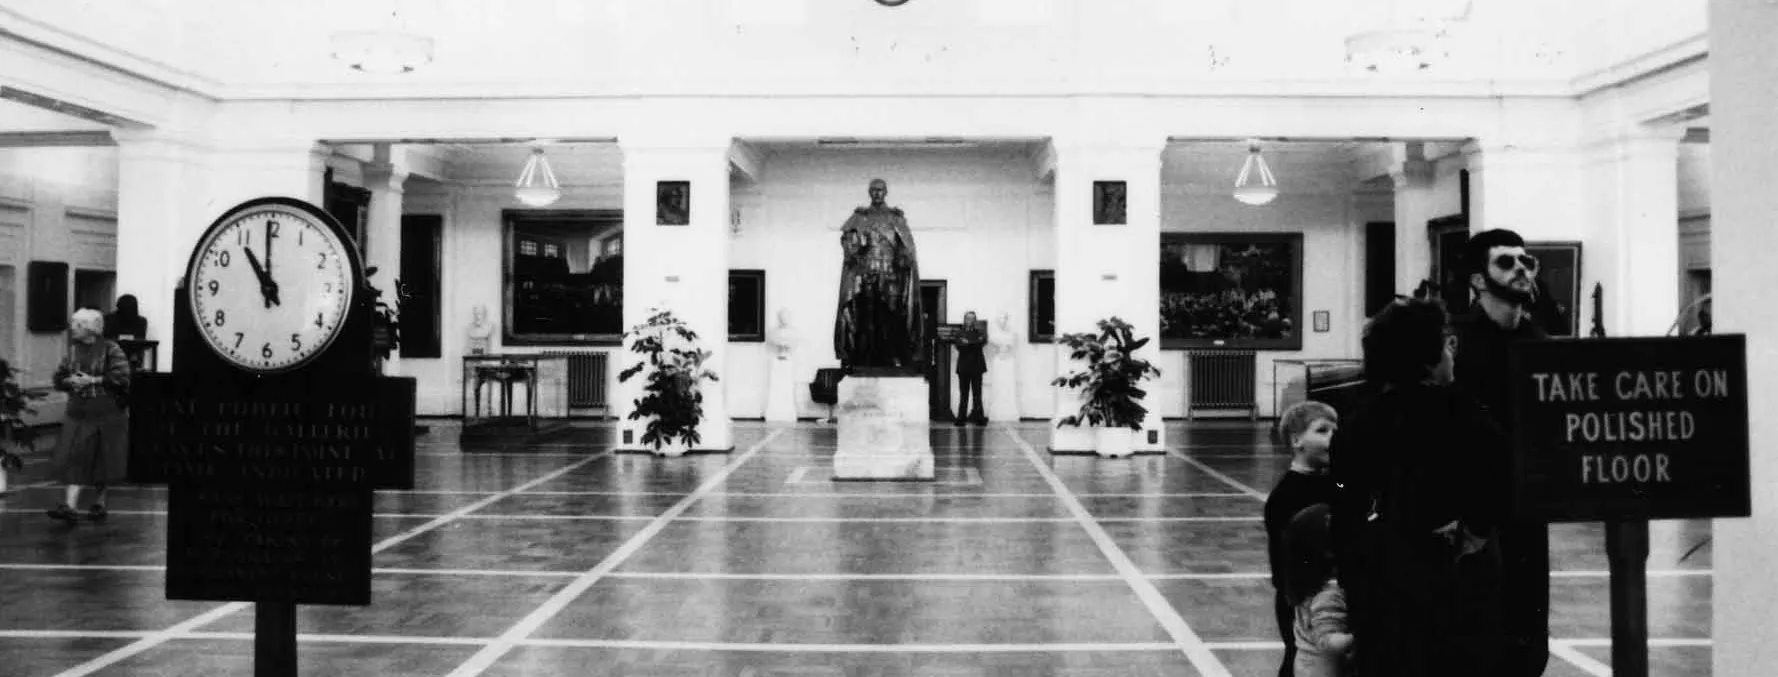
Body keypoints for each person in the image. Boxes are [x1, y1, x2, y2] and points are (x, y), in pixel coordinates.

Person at [1329, 297, 1506, 677]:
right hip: (1456, 570)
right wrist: (1474, 531)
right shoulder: (1465, 411)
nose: (1451, 354)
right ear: (1427, 356)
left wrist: (1354, 572)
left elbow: (1344, 500)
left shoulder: (1361, 419)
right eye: (1445, 344)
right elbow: (1498, 475)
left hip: (1384, 571)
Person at [1449, 228, 1551, 676]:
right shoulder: (1454, 344)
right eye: (1506, 263)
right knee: (1476, 632)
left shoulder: (1539, 341)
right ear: (1477, 279)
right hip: (1470, 510)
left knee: (1527, 628)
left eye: (1526, 262)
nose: (1521, 271)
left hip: (1527, 507)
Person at [1265, 400, 1340, 677]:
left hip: (1329, 593)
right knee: (1300, 658)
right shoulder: (1287, 494)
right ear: (1297, 441)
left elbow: (1346, 490)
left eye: (1336, 430)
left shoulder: (1334, 481)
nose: (1332, 436)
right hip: (1301, 596)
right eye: (1322, 430)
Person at [45, 308, 132, 523]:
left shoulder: (111, 349)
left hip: (106, 413)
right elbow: (58, 378)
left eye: (77, 325)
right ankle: (70, 506)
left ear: (88, 328)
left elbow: (122, 377)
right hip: (77, 413)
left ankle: (99, 502)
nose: (72, 328)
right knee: (73, 457)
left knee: (102, 460)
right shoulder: (72, 351)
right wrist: (69, 381)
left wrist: (93, 380)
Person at [833, 178, 924, 372]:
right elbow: (848, 243)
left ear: (886, 192)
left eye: (880, 190)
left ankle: (893, 355)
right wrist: (853, 247)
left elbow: (907, 247)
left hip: (891, 276)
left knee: (892, 315)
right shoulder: (860, 216)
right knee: (866, 317)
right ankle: (864, 358)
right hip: (867, 275)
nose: (876, 193)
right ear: (869, 192)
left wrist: (904, 259)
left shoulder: (895, 217)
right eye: (873, 190)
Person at [1284, 504, 1353, 677]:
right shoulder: (1329, 594)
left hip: (1303, 663)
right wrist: (1359, 637)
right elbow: (1328, 641)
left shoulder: (1306, 586)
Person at [953, 311, 986, 426]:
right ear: (964, 319)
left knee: (977, 394)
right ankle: (961, 418)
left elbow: (981, 342)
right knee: (964, 394)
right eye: (968, 318)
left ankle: (979, 418)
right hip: (964, 368)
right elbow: (959, 345)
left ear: (975, 320)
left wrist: (968, 343)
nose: (970, 321)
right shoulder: (959, 333)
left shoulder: (980, 332)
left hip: (977, 367)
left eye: (972, 319)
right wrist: (974, 344)